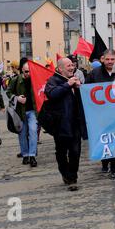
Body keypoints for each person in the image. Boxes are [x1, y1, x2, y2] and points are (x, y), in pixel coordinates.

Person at [45, 58, 87, 191]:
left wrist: (80, 88)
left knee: (75, 151)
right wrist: (67, 85)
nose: (72, 68)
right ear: (60, 68)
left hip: (75, 123)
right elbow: (52, 94)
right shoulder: (53, 81)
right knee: (61, 152)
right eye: (68, 66)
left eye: (72, 66)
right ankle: (65, 173)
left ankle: (73, 177)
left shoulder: (75, 80)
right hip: (60, 124)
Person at [86, 50, 115, 179]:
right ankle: (104, 162)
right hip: (100, 114)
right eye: (107, 59)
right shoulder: (94, 74)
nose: (109, 62)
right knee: (105, 141)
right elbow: (86, 92)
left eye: (112, 59)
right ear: (102, 59)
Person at [6, 59, 38, 167]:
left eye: (30, 71)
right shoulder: (15, 80)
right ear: (22, 71)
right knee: (22, 134)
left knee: (33, 131)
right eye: (26, 71)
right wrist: (17, 98)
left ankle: (32, 155)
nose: (28, 73)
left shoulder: (35, 79)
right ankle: (25, 155)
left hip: (33, 111)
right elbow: (8, 92)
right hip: (20, 111)